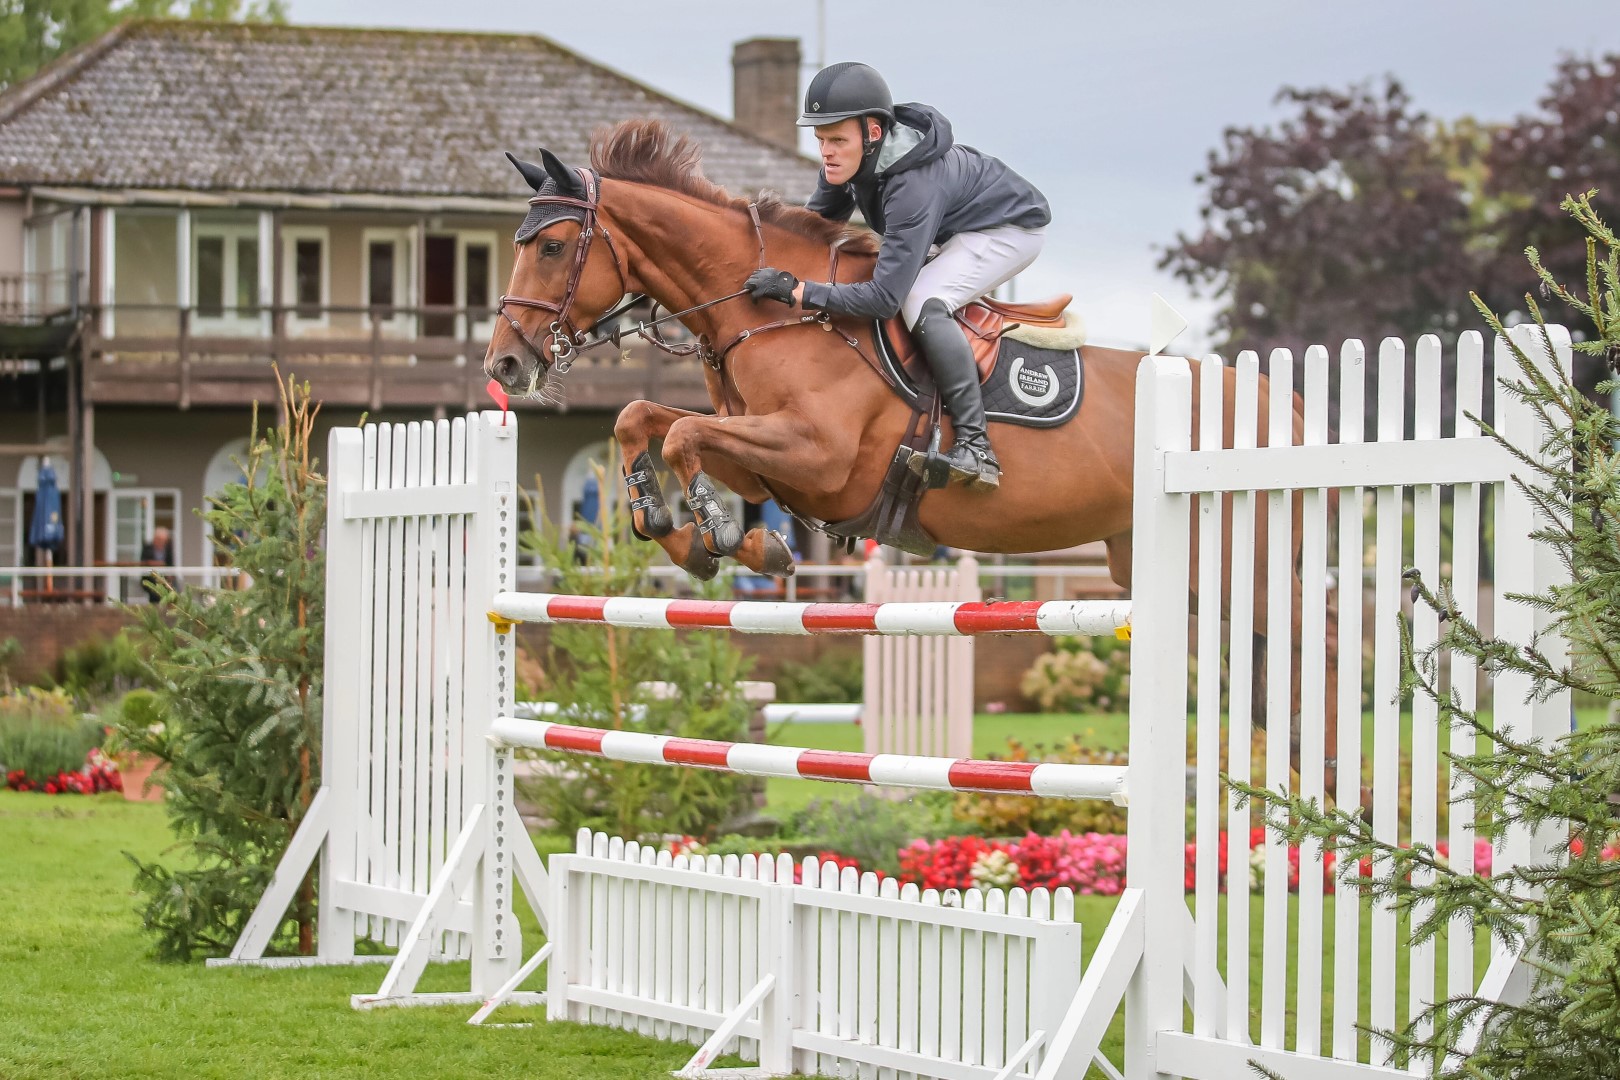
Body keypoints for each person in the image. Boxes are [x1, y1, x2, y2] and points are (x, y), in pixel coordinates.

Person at [742, 62, 1051, 492]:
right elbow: (811, 230)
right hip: (951, 227)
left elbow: (885, 299)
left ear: (872, 134)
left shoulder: (912, 186)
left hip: (1008, 230)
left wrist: (799, 291)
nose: (826, 151)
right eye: (820, 139)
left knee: (920, 300)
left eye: (836, 140)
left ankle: (977, 447)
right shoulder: (847, 163)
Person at [139, 526, 174, 603]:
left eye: (163, 541)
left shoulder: (168, 549)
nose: (161, 542)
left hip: (165, 577)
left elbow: (170, 564)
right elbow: (143, 562)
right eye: (159, 540)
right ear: (155, 539)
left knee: (173, 586)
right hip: (150, 577)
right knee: (154, 592)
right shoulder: (147, 548)